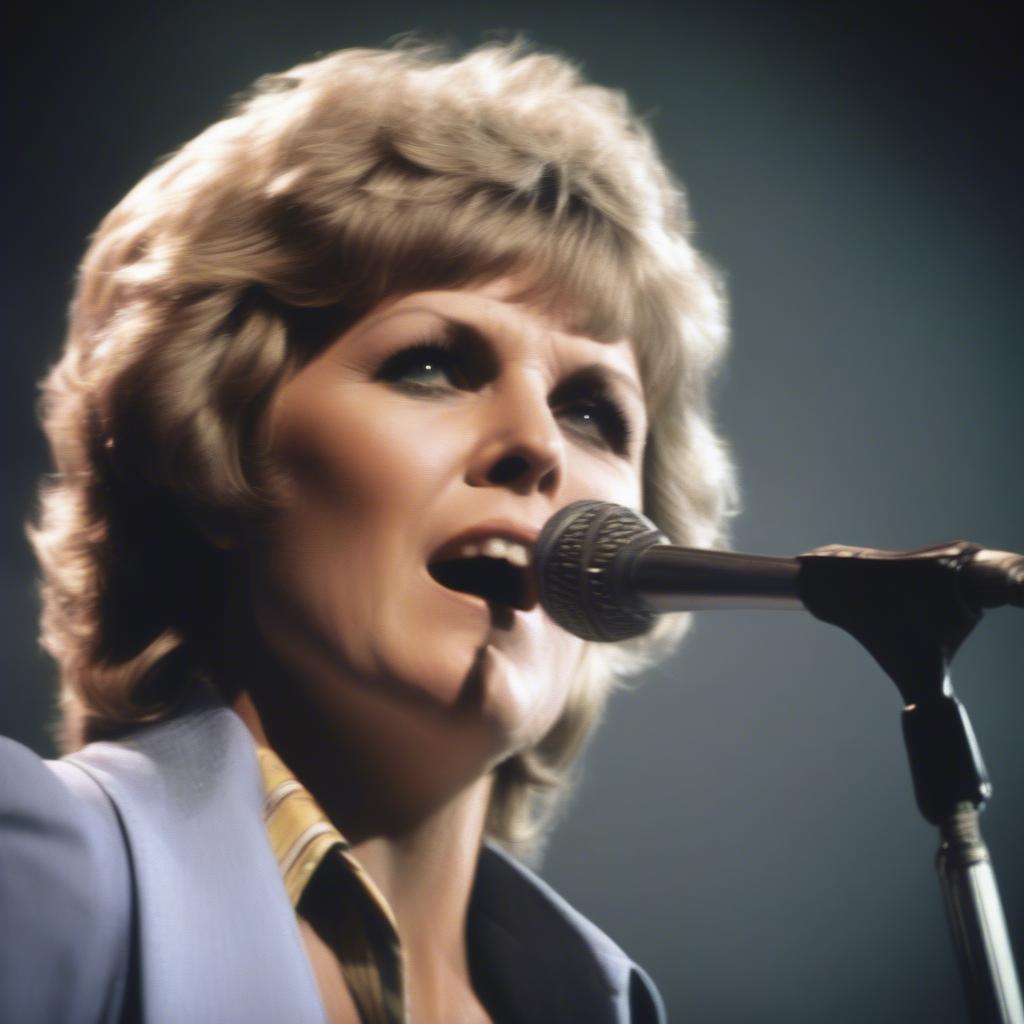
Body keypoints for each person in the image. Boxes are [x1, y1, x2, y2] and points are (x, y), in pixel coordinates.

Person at [1, 40, 735, 1023]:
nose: (535, 447)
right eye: (431, 365)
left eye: (592, 410)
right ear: (215, 440)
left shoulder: (607, 1003)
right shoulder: (39, 869)